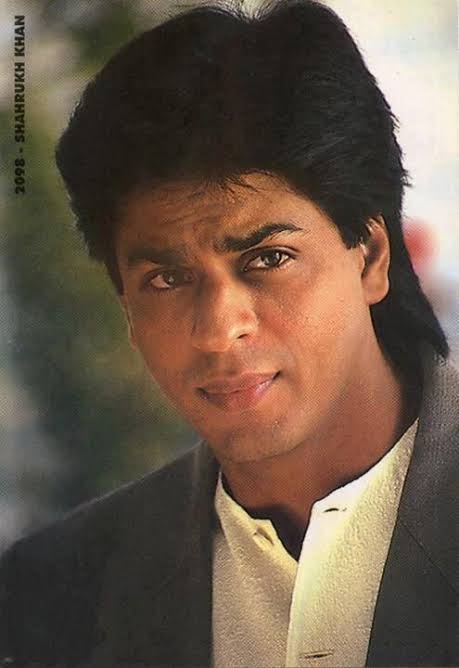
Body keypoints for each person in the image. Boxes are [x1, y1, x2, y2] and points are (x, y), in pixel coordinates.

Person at [1, 1, 458, 666]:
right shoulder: (54, 590)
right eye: (166, 278)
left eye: (267, 259)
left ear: (370, 256)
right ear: (125, 304)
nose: (218, 330)